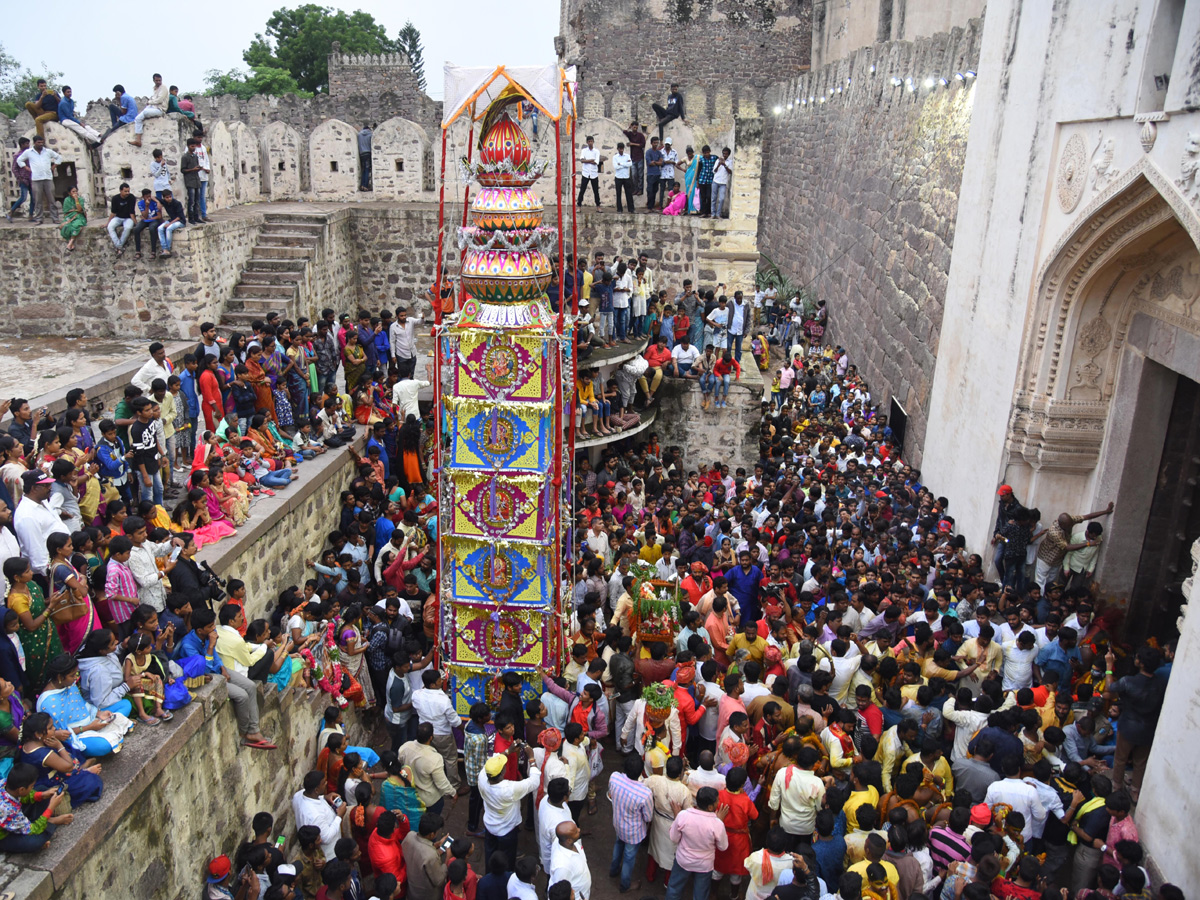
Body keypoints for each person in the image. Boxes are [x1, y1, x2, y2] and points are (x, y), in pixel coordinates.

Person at [478, 746, 539, 869]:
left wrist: (508, 751)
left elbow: (494, 760)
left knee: (490, 856)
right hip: (507, 830)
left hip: (490, 826)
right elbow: (534, 782)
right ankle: (506, 879)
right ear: (503, 773)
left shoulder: (482, 777)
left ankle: (490, 875)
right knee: (507, 860)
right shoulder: (509, 789)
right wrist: (531, 759)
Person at [666, 786, 729, 900]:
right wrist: (719, 821)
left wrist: (677, 817)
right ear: (710, 807)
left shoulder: (683, 815)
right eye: (717, 801)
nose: (719, 803)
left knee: (674, 889)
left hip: (683, 860)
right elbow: (723, 847)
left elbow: (674, 838)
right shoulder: (717, 824)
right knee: (700, 894)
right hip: (704, 865)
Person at [607, 754, 653, 892]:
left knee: (618, 844)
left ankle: (614, 870)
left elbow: (610, 794)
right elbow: (648, 817)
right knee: (629, 857)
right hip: (633, 832)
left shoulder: (614, 777)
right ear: (640, 772)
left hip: (618, 823)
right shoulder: (645, 793)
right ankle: (625, 885)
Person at [16, 136, 61, 227]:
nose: (41, 144)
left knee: (52, 199)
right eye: (38, 143)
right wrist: (26, 168)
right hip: (36, 179)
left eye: (42, 142)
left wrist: (54, 166)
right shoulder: (29, 152)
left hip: (48, 178)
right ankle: (39, 218)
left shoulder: (48, 151)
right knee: (38, 200)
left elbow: (59, 157)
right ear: (34, 143)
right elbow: (19, 160)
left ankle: (55, 218)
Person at [549, 821, 592, 900]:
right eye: (576, 831)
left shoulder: (569, 843)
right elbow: (560, 895)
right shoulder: (562, 866)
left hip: (583, 893)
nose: (579, 830)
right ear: (569, 840)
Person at [129, 73, 169, 147]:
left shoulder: (163, 87)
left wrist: (149, 102)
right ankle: (138, 140)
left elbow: (159, 100)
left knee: (145, 112)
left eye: (159, 80)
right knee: (138, 118)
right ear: (153, 80)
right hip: (152, 108)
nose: (158, 82)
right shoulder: (154, 88)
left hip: (160, 109)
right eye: (156, 80)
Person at [7, 137, 35, 224]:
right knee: (23, 197)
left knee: (33, 198)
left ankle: (31, 215)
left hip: (32, 178)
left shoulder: (30, 154)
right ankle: (11, 212)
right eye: (26, 144)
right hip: (23, 179)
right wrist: (19, 178)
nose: (28, 145)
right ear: (22, 145)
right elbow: (14, 168)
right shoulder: (17, 155)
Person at [107, 183, 137, 256]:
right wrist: (107, 223)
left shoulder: (132, 197)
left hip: (128, 218)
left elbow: (131, 212)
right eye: (125, 191)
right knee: (110, 227)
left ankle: (119, 247)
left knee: (128, 228)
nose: (127, 193)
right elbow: (113, 213)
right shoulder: (115, 198)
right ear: (120, 191)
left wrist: (136, 223)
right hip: (118, 217)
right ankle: (120, 247)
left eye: (128, 191)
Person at [157, 189, 186, 257]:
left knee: (169, 229)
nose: (169, 198)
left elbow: (179, 217)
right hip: (172, 220)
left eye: (170, 196)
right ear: (164, 198)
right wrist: (158, 202)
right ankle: (164, 248)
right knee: (160, 228)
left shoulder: (177, 203)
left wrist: (169, 224)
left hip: (180, 221)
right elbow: (153, 197)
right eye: (167, 197)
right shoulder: (164, 202)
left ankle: (168, 249)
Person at [577, 136, 603, 208]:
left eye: (591, 141)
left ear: (593, 142)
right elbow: (582, 160)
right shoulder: (584, 151)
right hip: (585, 173)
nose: (590, 143)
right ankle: (579, 205)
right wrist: (591, 160)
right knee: (582, 190)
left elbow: (596, 162)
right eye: (589, 141)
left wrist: (587, 161)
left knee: (596, 191)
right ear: (587, 142)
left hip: (594, 173)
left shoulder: (596, 151)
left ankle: (598, 206)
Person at [59, 187, 86, 253]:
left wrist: (76, 200)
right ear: (69, 193)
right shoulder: (67, 200)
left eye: (76, 191)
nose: (75, 193)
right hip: (69, 216)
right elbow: (66, 211)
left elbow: (80, 210)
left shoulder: (80, 199)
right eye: (73, 191)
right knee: (66, 227)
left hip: (79, 216)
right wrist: (73, 210)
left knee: (76, 225)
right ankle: (70, 242)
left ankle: (70, 243)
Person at [712, 148, 733, 219]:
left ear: (728, 154)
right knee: (713, 198)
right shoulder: (718, 160)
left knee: (721, 199)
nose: (724, 155)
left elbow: (730, 172)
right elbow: (714, 171)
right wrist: (718, 164)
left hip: (723, 182)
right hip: (715, 181)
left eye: (726, 154)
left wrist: (725, 165)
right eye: (723, 153)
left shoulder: (730, 162)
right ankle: (713, 214)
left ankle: (718, 214)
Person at [613, 142, 634, 213]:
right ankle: (619, 209)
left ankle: (631, 209)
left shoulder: (627, 156)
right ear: (618, 149)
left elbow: (630, 164)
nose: (621, 150)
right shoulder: (615, 157)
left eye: (622, 148)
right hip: (618, 177)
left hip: (626, 177)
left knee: (629, 193)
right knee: (618, 194)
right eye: (620, 149)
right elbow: (616, 167)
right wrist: (625, 165)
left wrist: (621, 163)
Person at [358, 123, 373, 192]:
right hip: (368, 153)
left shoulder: (359, 135)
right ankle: (365, 186)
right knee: (367, 169)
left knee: (363, 169)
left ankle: (362, 184)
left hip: (361, 153)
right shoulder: (370, 135)